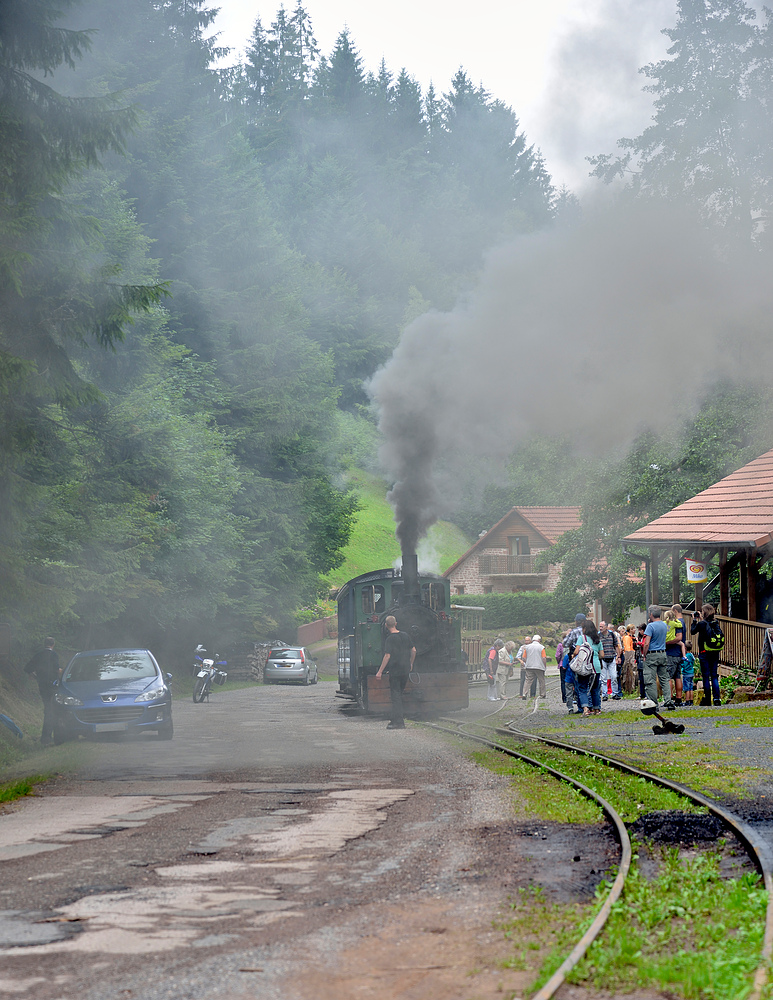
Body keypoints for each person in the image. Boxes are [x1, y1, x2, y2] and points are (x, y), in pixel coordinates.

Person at [375, 616, 416, 729]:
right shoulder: (405, 635)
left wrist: (380, 671)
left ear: (386, 625)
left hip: (395, 671)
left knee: (396, 696)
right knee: (399, 694)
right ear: (396, 623)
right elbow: (413, 650)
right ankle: (394, 719)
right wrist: (411, 663)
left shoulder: (390, 639)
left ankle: (399, 722)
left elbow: (387, 656)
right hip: (405, 669)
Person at [24, 637, 61, 745]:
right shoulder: (54, 655)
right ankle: (48, 737)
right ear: (53, 644)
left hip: (42, 686)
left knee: (48, 709)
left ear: (44, 644)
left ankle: (47, 737)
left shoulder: (39, 655)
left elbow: (27, 668)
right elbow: (56, 669)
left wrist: (36, 677)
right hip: (52, 686)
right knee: (52, 709)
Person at [641, 605, 674, 710]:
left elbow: (646, 643)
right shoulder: (664, 625)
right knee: (664, 678)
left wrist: (644, 655)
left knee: (650, 680)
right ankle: (668, 701)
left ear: (651, 614)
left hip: (652, 654)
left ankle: (654, 704)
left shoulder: (650, 626)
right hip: (663, 653)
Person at [690, 604, 723, 706]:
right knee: (714, 675)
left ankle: (708, 699)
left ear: (703, 613)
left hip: (704, 652)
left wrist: (695, 620)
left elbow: (693, 631)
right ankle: (717, 699)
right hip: (715, 652)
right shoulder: (716, 623)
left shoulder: (702, 624)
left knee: (705, 676)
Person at [574, 620, 603, 715]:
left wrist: (574, 656)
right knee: (595, 688)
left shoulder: (582, 638)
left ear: (585, 629)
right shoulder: (597, 639)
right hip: (596, 666)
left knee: (582, 687)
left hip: (585, 667)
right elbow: (602, 655)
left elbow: (577, 651)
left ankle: (586, 709)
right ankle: (596, 709)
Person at [664, 609, 686, 706]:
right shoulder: (680, 623)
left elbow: (679, 637)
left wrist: (666, 643)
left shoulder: (668, 624)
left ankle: (669, 699)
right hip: (679, 653)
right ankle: (679, 698)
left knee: (668, 677)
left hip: (671, 653)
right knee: (677, 676)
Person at [599, 621, 622, 700]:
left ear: (606, 627)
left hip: (611, 657)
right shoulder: (598, 636)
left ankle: (614, 693)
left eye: (602, 626)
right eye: (600, 626)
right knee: (603, 678)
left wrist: (618, 656)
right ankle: (604, 694)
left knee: (614, 676)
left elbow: (616, 646)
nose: (600, 628)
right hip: (602, 659)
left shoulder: (612, 635)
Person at [522, 634, 547, 700]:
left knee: (528, 680)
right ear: (539, 640)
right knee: (541, 681)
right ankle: (542, 694)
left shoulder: (527, 647)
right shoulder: (541, 647)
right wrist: (544, 666)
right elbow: (544, 658)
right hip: (539, 667)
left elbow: (524, 657)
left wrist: (527, 662)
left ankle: (524, 693)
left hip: (529, 666)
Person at [621, 625, 637, 693]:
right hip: (629, 656)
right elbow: (627, 649)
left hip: (631, 655)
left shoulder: (631, 637)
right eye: (633, 629)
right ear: (630, 630)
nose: (635, 630)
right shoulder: (627, 637)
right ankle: (629, 688)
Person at [681, 641, 696, 706]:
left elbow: (684, 665)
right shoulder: (692, 655)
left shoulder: (686, 656)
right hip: (691, 673)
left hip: (686, 673)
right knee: (691, 688)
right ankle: (691, 700)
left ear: (685, 648)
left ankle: (687, 701)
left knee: (686, 688)